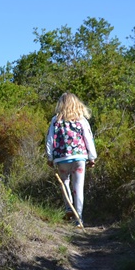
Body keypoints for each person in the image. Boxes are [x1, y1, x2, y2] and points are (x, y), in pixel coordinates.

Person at [45, 93, 98, 225]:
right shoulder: (81, 120)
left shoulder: (55, 120)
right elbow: (88, 138)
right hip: (79, 157)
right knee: (78, 187)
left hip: (61, 158)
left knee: (64, 182)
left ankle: (69, 208)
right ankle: (79, 219)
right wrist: (92, 157)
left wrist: (50, 157)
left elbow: (49, 139)